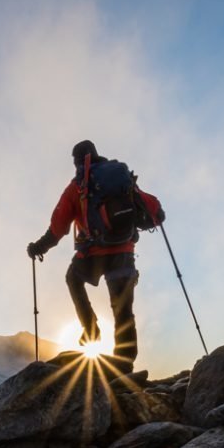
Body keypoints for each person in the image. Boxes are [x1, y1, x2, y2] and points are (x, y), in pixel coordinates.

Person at [27, 140, 164, 374]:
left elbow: (58, 228)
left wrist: (38, 247)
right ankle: (124, 366)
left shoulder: (76, 188)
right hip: (124, 253)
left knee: (73, 278)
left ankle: (90, 329)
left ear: (77, 161)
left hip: (92, 253)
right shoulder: (121, 179)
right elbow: (156, 212)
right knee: (123, 311)